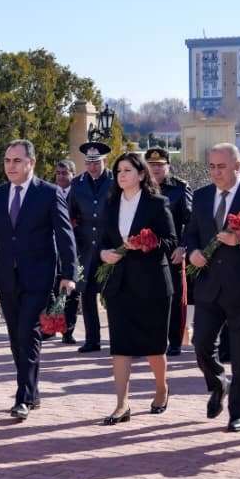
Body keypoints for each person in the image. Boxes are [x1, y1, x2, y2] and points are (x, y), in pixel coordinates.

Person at [0, 139, 77, 421]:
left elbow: (65, 236)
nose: (11, 166)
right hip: (6, 277)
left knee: (28, 332)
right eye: (7, 161)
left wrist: (69, 275)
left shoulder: (49, 193)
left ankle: (22, 397)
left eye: (17, 161)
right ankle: (32, 391)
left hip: (39, 276)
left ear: (31, 163)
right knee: (15, 337)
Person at [176, 143, 240, 432]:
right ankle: (218, 382)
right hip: (209, 286)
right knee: (201, 345)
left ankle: (238, 412)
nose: (216, 172)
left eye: (222, 167)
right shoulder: (202, 195)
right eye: (212, 167)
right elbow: (191, 233)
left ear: (238, 166)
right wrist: (192, 252)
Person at [97, 152, 176, 424]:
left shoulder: (157, 203)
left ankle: (161, 389)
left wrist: (147, 244)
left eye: (127, 170)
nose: (121, 175)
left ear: (141, 174)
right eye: (118, 171)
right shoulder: (110, 204)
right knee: (120, 346)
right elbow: (100, 241)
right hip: (119, 285)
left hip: (153, 285)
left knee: (154, 346)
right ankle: (122, 404)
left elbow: (170, 241)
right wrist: (103, 254)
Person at [145, 148, 193, 356]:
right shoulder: (140, 187)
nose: (155, 169)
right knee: (147, 297)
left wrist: (184, 247)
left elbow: (191, 222)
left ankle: (174, 341)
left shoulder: (180, 188)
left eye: (160, 165)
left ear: (168, 166)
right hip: (145, 251)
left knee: (173, 297)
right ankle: (150, 340)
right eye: (151, 165)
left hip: (172, 252)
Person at [66, 143, 113, 352]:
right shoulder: (77, 183)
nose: (92, 167)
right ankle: (92, 340)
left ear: (105, 161)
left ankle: (119, 339)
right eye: (89, 163)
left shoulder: (115, 181)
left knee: (113, 295)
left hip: (110, 247)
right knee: (86, 295)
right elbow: (69, 214)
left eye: (96, 163)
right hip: (86, 249)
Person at [53, 159, 80, 345]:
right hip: (53, 250)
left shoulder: (78, 194)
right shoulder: (49, 193)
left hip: (75, 250)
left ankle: (68, 331)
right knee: (53, 289)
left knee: (71, 291)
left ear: (73, 174)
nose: (61, 176)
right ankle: (51, 326)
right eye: (58, 173)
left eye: (65, 173)